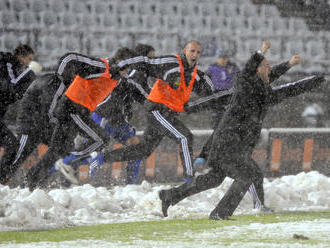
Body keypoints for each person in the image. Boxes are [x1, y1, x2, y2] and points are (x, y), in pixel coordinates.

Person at [159, 40, 325, 220]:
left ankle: (170, 195)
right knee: (248, 175)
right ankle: (221, 213)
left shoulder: (263, 92)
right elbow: (251, 70)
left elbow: (288, 88)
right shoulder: (244, 82)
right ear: (257, 69)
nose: (271, 69)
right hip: (228, 144)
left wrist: (307, 76)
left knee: (215, 179)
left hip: (232, 145)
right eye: (267, 66)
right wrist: (260, 52)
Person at [24, 49, 138, 191]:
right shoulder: (103, 66)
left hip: (74, 109)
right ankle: (68, 164)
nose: (128, 71)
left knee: (58, 149)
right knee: (101, 139)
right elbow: (72, 58)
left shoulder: (114, 76)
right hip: (73, 109)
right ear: (120, 61)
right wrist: (61, 77)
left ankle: (32, 181)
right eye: (127, 67)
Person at [102, 40, 216, 182]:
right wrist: (119, 65)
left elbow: (211, 95)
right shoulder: (171, 62)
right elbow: (145, 60)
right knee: (185, 137)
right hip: (157, 110)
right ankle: (189, 179)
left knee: (143, 150)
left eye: (198, 52)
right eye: (192, 51)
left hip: (168, 114)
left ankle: (102, 158)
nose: (195, 54)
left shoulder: (197, 75)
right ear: (185, 51)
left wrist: (217, 99)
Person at [194, 48, 240, 167]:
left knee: (231, 130)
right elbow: (204, 88)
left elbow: (240, 81)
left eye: (225, 58)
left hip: (231, 100)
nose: (223, 61)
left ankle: (221, 158)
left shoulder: (233, 68)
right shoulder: (211, 70)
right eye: (221, 58)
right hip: (217, 101)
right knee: (219, 129)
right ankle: (210, 157)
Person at [0, 44, 36, 184]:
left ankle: (2, 180)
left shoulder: (13, 67)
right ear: (20, 56)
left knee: (12, 145)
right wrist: (28, 73)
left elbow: (12, 94)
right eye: (29, 59)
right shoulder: (8, 63)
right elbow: (12, 86)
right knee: (12, 145)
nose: (28, 63)